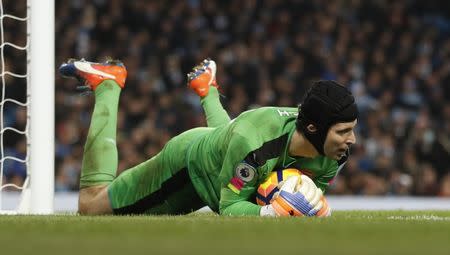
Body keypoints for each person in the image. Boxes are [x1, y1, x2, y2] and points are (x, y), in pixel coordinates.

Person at [59, 58, 358, 216]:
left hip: (227, 147)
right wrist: (269, 214)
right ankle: (108, 84)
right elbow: (229, 207)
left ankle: (207, 89)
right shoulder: (254, 141)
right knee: (90, 205)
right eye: (344, 132)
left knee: (235, 145)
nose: (352, 140)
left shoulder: (335, 152)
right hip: (189, 169)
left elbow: (308, 196)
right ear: (312, 129)